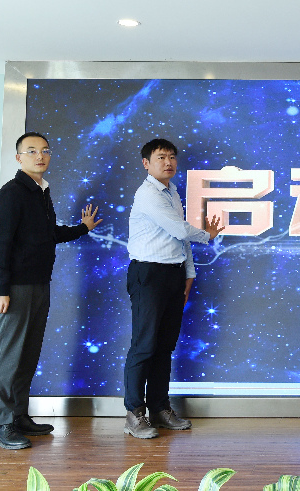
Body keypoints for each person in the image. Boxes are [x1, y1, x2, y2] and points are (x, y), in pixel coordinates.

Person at [0, 132, 101, 450]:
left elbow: (47, 234)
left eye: (45, 150)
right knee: (8, 357)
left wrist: (82, 229)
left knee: (27, 354)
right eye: (32, 151)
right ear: (18, 157)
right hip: (16, 288)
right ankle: (1, 425)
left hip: (38, 284)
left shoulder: (40, 192)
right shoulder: (12, 194)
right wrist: (1, 289)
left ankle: (18, 416)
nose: (40, 156)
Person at [123, 138, 223, 439]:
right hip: (149, 274)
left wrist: (188, 275)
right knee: (144, 345)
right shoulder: (147, 194)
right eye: (161, 157)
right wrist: (208, 235)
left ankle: (159, 408)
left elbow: (179, 240)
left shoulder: (172, 192)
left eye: (171, 157)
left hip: (173, 274)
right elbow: (180, 229)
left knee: (165, 346)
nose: (168, 162)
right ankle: (134, 413)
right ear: (146, 163)